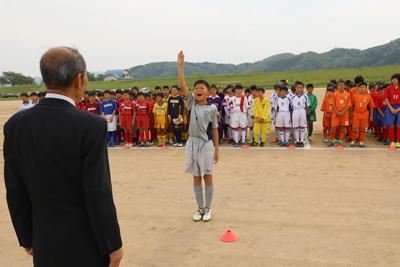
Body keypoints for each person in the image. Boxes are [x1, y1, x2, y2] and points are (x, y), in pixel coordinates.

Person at [4, 46, 123, 267]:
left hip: (43, 241)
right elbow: (98, 192)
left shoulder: (15, 125)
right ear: (78, 80)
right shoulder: (89, 125)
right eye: (86, 76)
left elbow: (15, 188)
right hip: (86, 243)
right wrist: (112, 244)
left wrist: (26, 237)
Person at [178, 51, 219, 222]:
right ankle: (200, 208)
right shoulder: (191, 102)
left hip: (206, 144)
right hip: (192, 143)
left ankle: (208, 208)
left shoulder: (212, 109)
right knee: (196, 176)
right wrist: (180, 66)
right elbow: (182, 85)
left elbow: (215, 129)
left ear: (208, 92)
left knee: (207, 175)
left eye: (202, 88)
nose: (198, 90)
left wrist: (217, 149)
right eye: (196, 88)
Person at [328, 79, 352, 147]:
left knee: (342, 126)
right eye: (339, 85)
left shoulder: (347, 94)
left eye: (342, 85)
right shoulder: (335, 94)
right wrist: (337, 112)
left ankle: (340, 141)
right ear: (337, 86)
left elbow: (348, 105)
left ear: (345, 86)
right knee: (333, 127)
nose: (340, 86)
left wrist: (342, 112)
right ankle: (331, 140)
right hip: (336, 113)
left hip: (344, 114)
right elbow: (332, 104)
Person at [350, 82, 374, 147]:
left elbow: (371, 107)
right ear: (358, 88)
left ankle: (361, 141)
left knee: (362, 128)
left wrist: (371, 116)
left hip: (364, 114)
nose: (362, 89)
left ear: (366, 89)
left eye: (363, 87)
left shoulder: (368, 97)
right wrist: (350, 114)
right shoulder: (355, 96)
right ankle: (353, 140)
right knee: (354, 128)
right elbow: (351, 106)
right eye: (360, 87)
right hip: (356, 114)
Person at [384, 73, 400, 148]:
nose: (394, 80)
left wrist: (398, 109)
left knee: (399, 125)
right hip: (391, 107)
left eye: (396, 78)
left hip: (399, 107)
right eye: (393, 78)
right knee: (391, 124)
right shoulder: (389, 88)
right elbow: (386, 99)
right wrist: (391, 108)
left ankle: (398, 141)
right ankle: (392, 141)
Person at [291, 82, 308, 147]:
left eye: (301, 88)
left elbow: (306, 106)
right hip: (295, 110)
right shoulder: (293, 96)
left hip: (302, 110)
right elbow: (291, 105)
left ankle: (301, 141)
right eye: (298, 88)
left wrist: (303, 111)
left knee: (302, 126)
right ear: (296, 88)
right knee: (296, 126)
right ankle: (297, 140)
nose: (299, 89)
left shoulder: (305, 96)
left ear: (303, 88)